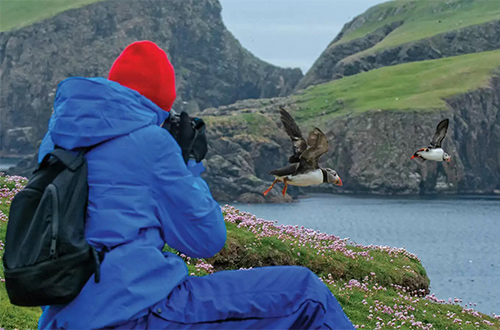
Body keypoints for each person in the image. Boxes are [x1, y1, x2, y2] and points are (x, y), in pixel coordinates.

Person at [37, 41, 354, 329]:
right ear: (162, 102)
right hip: (135, 313)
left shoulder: (57, 140)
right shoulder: (152, 143)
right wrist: (186, 163)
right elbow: (206, 240)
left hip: (62, 315)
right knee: (306, 294)